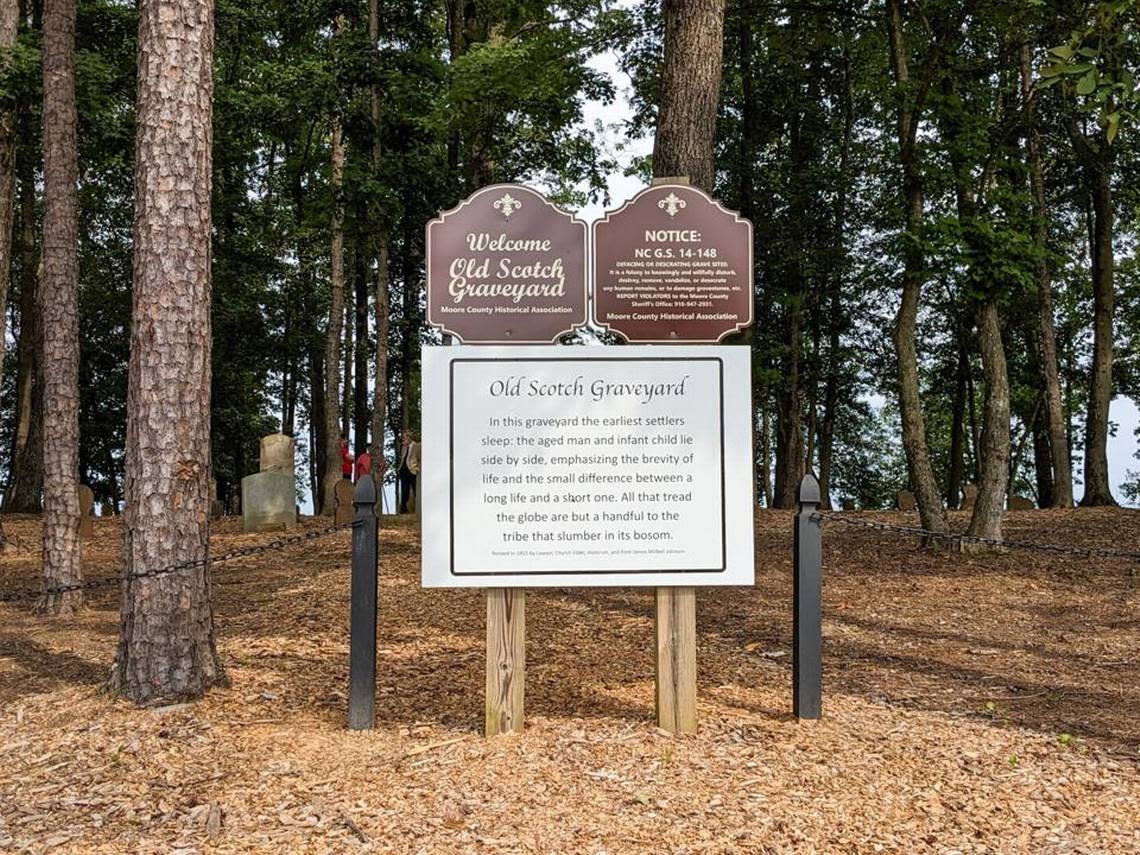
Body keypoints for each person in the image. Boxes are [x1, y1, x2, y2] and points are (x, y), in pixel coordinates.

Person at [397, 430, 420, 513]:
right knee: (404, 490)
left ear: (409, 437)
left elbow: (419, 458)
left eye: (405, 437)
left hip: (412, 470)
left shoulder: (416, 446)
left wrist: (417, 468)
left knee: (415, 489)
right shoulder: (404, 447)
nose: (403, 439)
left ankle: (418, 507)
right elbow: (403, 458)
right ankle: (403, 509)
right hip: (404, 470)